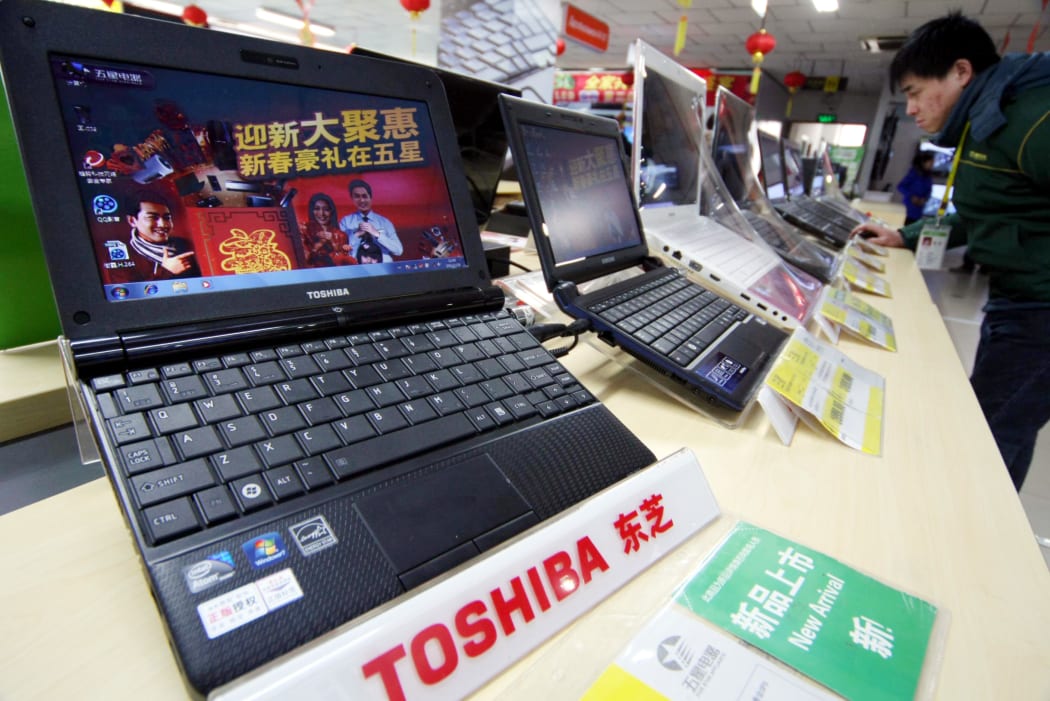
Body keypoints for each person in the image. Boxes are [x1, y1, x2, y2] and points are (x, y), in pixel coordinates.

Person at [850, 12, 1050, 491]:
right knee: (1007, 426)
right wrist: (909, 235)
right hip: (1018, 301)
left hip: (1039, 312)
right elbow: (992, 210)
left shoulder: (1028, 118)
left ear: (961, 72)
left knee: (988, 435)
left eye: (917, 92)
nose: (913, 109)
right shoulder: (986, 120)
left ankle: (969, 547)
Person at [110, 191, 199, 283]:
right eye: (152, 217)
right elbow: (131, 294)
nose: (162, 224)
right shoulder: (123, 256)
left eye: (166, 218)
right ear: (132, 221)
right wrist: (167, 271)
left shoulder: (184, 244)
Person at [337, 178, 403, 263]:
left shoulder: (384, 222)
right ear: (352, 198)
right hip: (357, 270)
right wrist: (356, 234)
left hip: (384, 268)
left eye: (365, 196)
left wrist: (377, 234)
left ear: (370, 197)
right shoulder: (345, 222)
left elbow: (398, 250)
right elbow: (340, 251)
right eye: (357, 196)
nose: (362, 200)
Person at [301, 193, 355, 266]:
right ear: (311, 211)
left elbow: (343, 261)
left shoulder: (341, 235)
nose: (321, 213)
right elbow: (303, 259)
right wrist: (319, 244)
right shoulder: (304, 230)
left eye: (326, 209)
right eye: (317, 209)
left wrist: (332, 241)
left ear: (331, 211)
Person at [896, 151, 935, 225]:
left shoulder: (928, 176)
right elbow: (900, 186)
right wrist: (911, 196)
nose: (932, 165)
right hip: (909, 207)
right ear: (923, 162)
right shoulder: (913, 173)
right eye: (930, 162)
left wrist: (925, 198)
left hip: (919, 207)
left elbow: (929, 190)